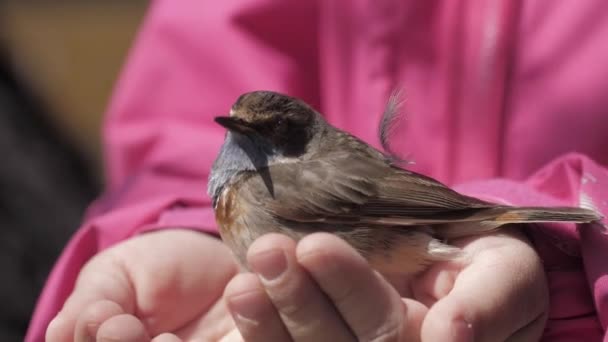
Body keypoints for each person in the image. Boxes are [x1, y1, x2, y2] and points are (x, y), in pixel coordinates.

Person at [28, 0, 608, 341]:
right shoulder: (247, 181)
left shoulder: (286, 185)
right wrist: (172, 225)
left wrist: (497, 226)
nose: (243, 133)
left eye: (266, 130)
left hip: (409, 238)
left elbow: (394, 205)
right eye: (236, 125)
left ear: (294, 135)